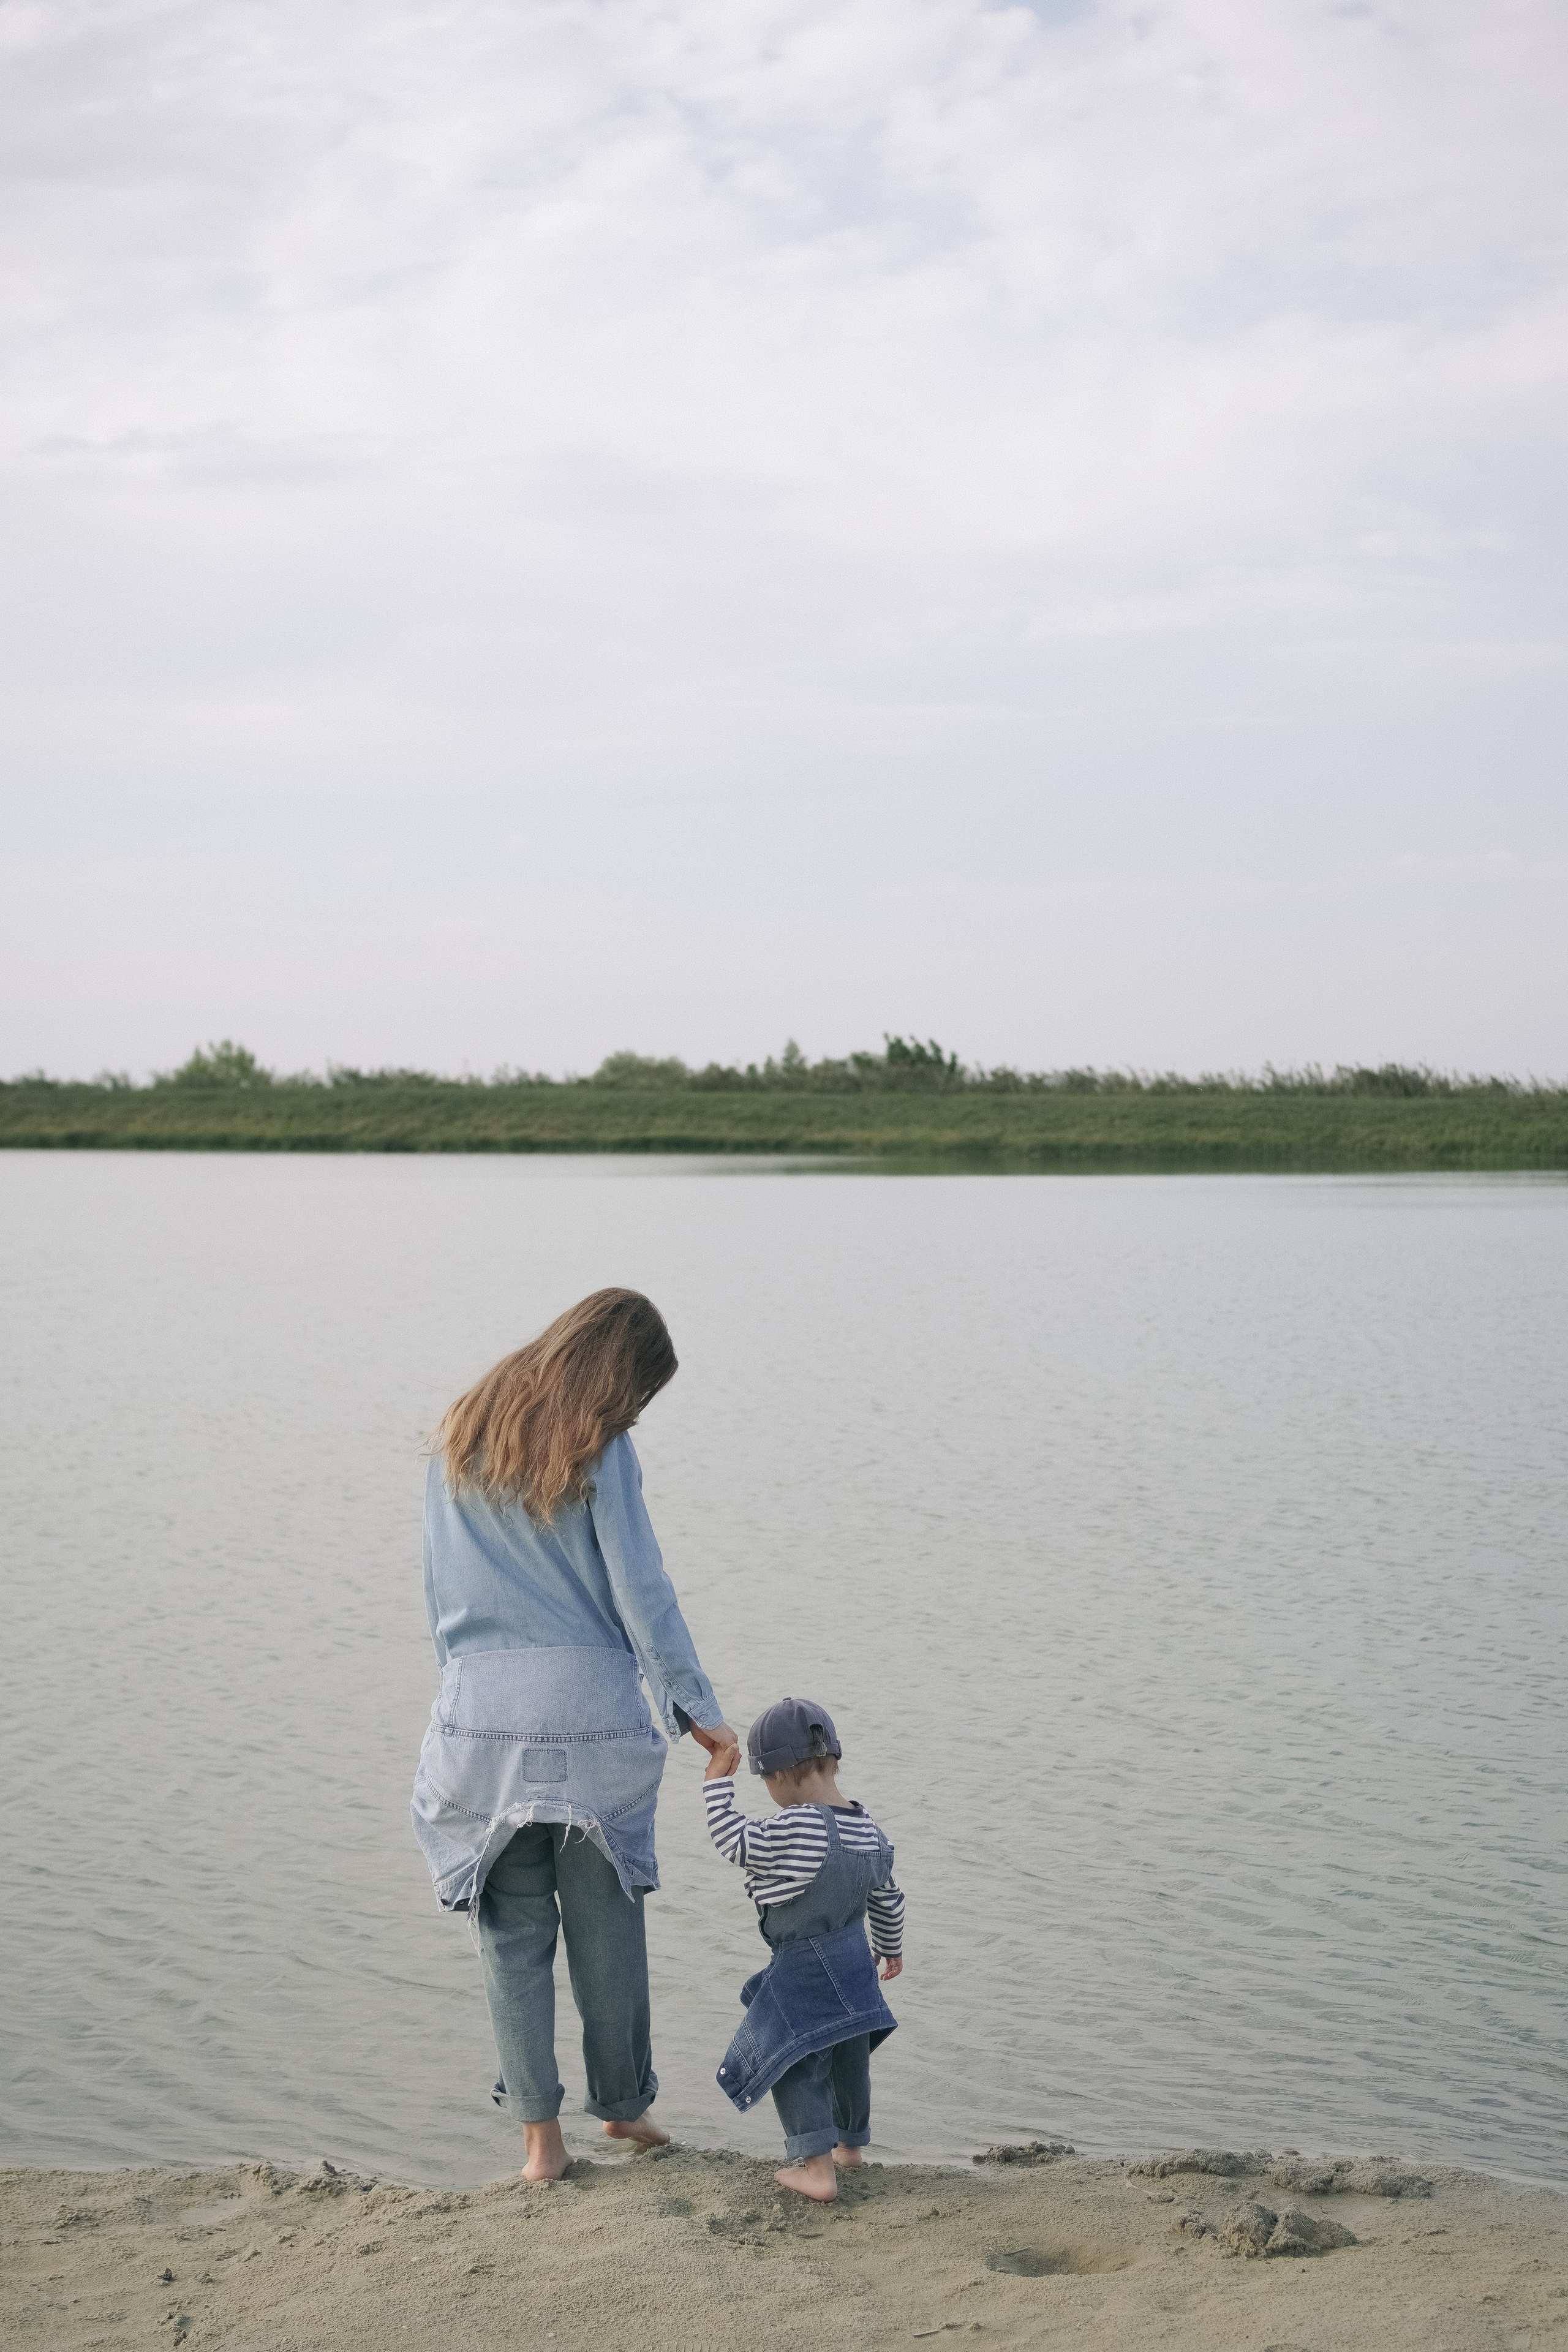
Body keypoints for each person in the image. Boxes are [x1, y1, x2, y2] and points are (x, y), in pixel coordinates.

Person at [410, 1287, 735, 2183]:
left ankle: (539, 2146)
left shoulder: (459, 1430)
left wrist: (465, 1687)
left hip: (481, 1711)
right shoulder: (604, 1448)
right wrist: (696, 1710)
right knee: (606, 1922)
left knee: (511, 1930)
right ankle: (625, 2110)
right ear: (617, 1378)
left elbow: (438, 1589)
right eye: (638, 1395)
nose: (634, 1413)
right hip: (591, 1713)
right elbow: (642, 1589)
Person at [701, 1697, 905, 2201]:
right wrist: (891, 1947)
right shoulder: (869, 1829)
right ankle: (850, 2149)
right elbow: (888, 1896)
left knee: (792, 2059)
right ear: (832, 1759)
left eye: (765, 1782)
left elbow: (735, 1842)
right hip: (857, 1960)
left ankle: (817, 2171)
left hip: (805, 1964)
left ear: (780, 1775)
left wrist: (716, 1787)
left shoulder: (799, 1825)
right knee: (849, 2058)